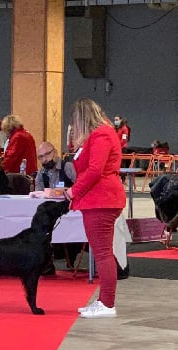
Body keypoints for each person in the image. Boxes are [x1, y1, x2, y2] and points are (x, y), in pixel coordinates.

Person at [65, 98, 126, 318]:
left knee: (102, 253)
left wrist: (73, 191)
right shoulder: (99, 136)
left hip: (101, 199)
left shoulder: (101, 135)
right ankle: (103, 301)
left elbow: (94, 171)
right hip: (101, 199)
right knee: (103, 252)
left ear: (82, 118)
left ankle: (107, 304)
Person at [35, 141, 80, 273]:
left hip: (70, 211)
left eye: (47, 155)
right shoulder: (41, 173)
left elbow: (81, 185)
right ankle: (45, 263)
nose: (44, 159)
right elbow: (38, 193)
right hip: (51, 214)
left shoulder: (68, 167)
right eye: (41, 157)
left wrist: (69, 190)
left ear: (54, 152)